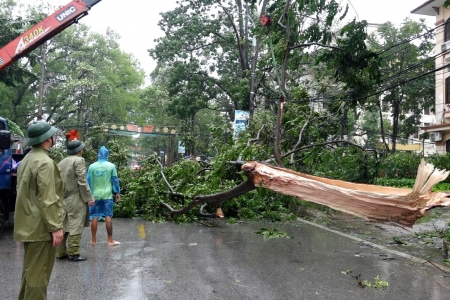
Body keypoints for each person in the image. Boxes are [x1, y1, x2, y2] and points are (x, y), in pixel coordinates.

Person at [13, 121, 64, 300]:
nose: (55, 137)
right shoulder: (45, 163)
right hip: (41, 228)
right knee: (38, 278)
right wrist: (56, 226)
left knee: (30, 275)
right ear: (48, 139)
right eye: (53, 135)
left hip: (28, 226)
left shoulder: (27, 159)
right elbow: (48, 198)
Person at [56, 140, 95, 261]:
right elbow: (82, 181)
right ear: (79, 150)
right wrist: (89, 197)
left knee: (64, 223)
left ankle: (60, 252)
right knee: (76, 223)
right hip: (75, 196)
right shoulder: (79, 160)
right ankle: (73, 252)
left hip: (63, 197)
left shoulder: (61, 162)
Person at [88, 146, 121, 246]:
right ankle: (110, 240)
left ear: (98, 154)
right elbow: (115, 180)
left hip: (95, 195)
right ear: (107, 155)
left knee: (94, 216)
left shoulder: (91, 166)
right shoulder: (111, 166)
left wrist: (88, 195)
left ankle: (93, 240)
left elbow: (88, 181)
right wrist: (117, 192)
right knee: (108, 216)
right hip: (107, 196)